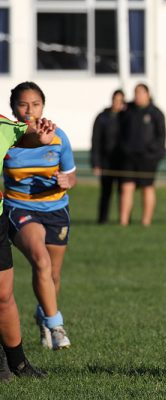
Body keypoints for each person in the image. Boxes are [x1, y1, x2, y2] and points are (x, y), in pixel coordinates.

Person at [4, 81, 77, 352]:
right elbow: (27, 138)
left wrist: (67, 181)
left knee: (53, 274)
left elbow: (72, 174)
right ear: (13, 107)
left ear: (43, 106)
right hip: (20, 207)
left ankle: (43, 314)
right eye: (23, 104)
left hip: (56, 209)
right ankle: (56, 325)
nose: (29, 110)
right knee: (41, 261)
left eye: (35, 104)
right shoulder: (8, 137)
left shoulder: (59, 137)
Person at [0, 112, 52, 380]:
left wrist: (40, 138)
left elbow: (22, 135)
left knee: (4, 294)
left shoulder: (1, 125)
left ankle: (18, 363)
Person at [119, 83, 166, 226]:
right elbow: (120, 132)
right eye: (135, 93)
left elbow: (161, 136)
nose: (137, 96)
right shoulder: (127, 112)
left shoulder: (156, 113)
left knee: (147, 187)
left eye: (140, 93)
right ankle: (123, 221)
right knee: (127, 187)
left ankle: (146, 221)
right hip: (129, 157)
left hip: (148, 158)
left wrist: (155, 153)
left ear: (148, 94)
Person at [91, 89, 126, 224]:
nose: (117, 103)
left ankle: (124, 219)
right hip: (106, 161)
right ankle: (102, 219)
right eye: (115, 100)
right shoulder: (102, 118)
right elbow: (96, 141)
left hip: (122, 161)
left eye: (120, 101)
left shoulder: (126, 117)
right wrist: (96, 163)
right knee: (106, 192)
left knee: (123, 191)